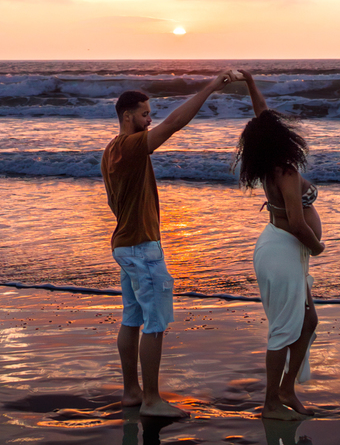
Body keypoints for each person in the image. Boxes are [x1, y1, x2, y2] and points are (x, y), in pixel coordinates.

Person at [102, 70, 234, 418]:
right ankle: (151, 400)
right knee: (155, 322)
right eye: (145, 114)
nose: (150, 120)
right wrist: (208, 88)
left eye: (150, 114)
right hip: (142, 247)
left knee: (132, 319)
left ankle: (133, 392)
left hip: (124, 244)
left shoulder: (110, 150)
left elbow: (113, 201)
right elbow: (175, 124)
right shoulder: (130, 146)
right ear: (127, 116)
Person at [233, 70, 324, 420]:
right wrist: (317, 248)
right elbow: (298, 222)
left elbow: (262, 116)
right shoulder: (284, 170)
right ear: (280, 137)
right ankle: (270, 403)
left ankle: (286, 389)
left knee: (308, 321)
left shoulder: (270, 163)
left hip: (284, 248)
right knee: (285, 329)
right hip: (284, 249)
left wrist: (251, 82)